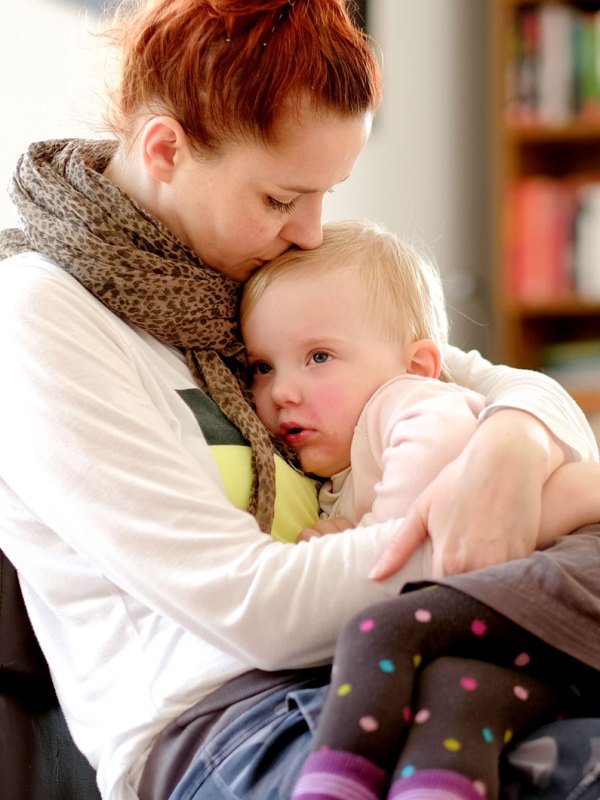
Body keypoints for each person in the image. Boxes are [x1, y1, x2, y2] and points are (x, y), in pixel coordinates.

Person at [0, 2, 598, 800]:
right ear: (167, 149)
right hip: (231, 716)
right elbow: (254, 608)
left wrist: (510, 451)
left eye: (325, 195)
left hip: (403, 658)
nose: (312, 232)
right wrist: (504, 520)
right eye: (284, 198)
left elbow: (489, 385)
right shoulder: (44, 317)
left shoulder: (241, 269)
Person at [240, 218, 600, 800]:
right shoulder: (342, 459)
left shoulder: (404, 399)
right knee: (460, 688)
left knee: (378, 631)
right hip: (546, 607)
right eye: (263, 366)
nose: (282, 390)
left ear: (419, 364)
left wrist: (374, 531)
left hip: (583, 557)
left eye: (319, 356)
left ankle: (333, 786)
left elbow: (440, 438)